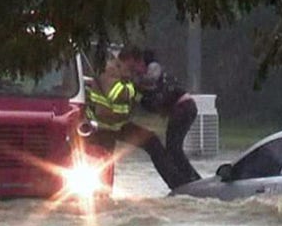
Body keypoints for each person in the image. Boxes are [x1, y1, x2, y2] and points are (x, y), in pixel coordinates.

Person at [85, 45, 188, 190]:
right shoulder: (108, 70)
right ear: (130, 60)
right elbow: (116, 94)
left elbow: (136, 99)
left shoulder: (126, 75)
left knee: (152, 142)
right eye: (139, 63)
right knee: (106, 164)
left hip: (119, 125)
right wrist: (135, 86)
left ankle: (178, 185)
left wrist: (156, 98)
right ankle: (103, 198)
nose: (141, 68)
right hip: (103, 127)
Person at [135, 50, 201, 184]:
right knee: (173, 148)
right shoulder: (160, 77)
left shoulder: (153, 73)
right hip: (186, 107)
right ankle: (189, 177)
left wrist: (137, 94)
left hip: (182, 108)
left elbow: (153, 101)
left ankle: (191, 178)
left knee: (173, 148)